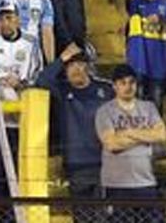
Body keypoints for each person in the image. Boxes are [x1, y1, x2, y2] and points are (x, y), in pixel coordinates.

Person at [0, 1, 42, 223]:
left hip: (21, 122)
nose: (6, 22)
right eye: (1, 18)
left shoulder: (31, 43)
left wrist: (21, 82)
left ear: (17, 19)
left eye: (10, 17)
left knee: (18, 177)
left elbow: (37, 75)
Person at [36, 45, 112, 223]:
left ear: (87, 67)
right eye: (70, 66)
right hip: (76, 165)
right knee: (81, 216)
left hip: (106, 163)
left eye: (79, 65)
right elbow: (42, 80)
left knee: (104, 216)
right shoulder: (62, 91)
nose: (75, 70)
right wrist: (61, 59)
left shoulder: (106, 89)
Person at [95, 64, 166, 221]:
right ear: (114, 86)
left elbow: (161, 134)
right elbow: (112, 144)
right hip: (117, 184)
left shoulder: (148, 107)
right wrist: (145, 136)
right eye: (123, 83)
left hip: (146, 182)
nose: (128, 87)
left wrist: (129, 132)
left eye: (131, 82)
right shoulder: (105, 111)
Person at [124, 0, 166, 108]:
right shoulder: (136, 0)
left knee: (156, 95)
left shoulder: (163, 2)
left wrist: (160, 19)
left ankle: (156, 127)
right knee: (137, 92)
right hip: (139, 56)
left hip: (158, 56)